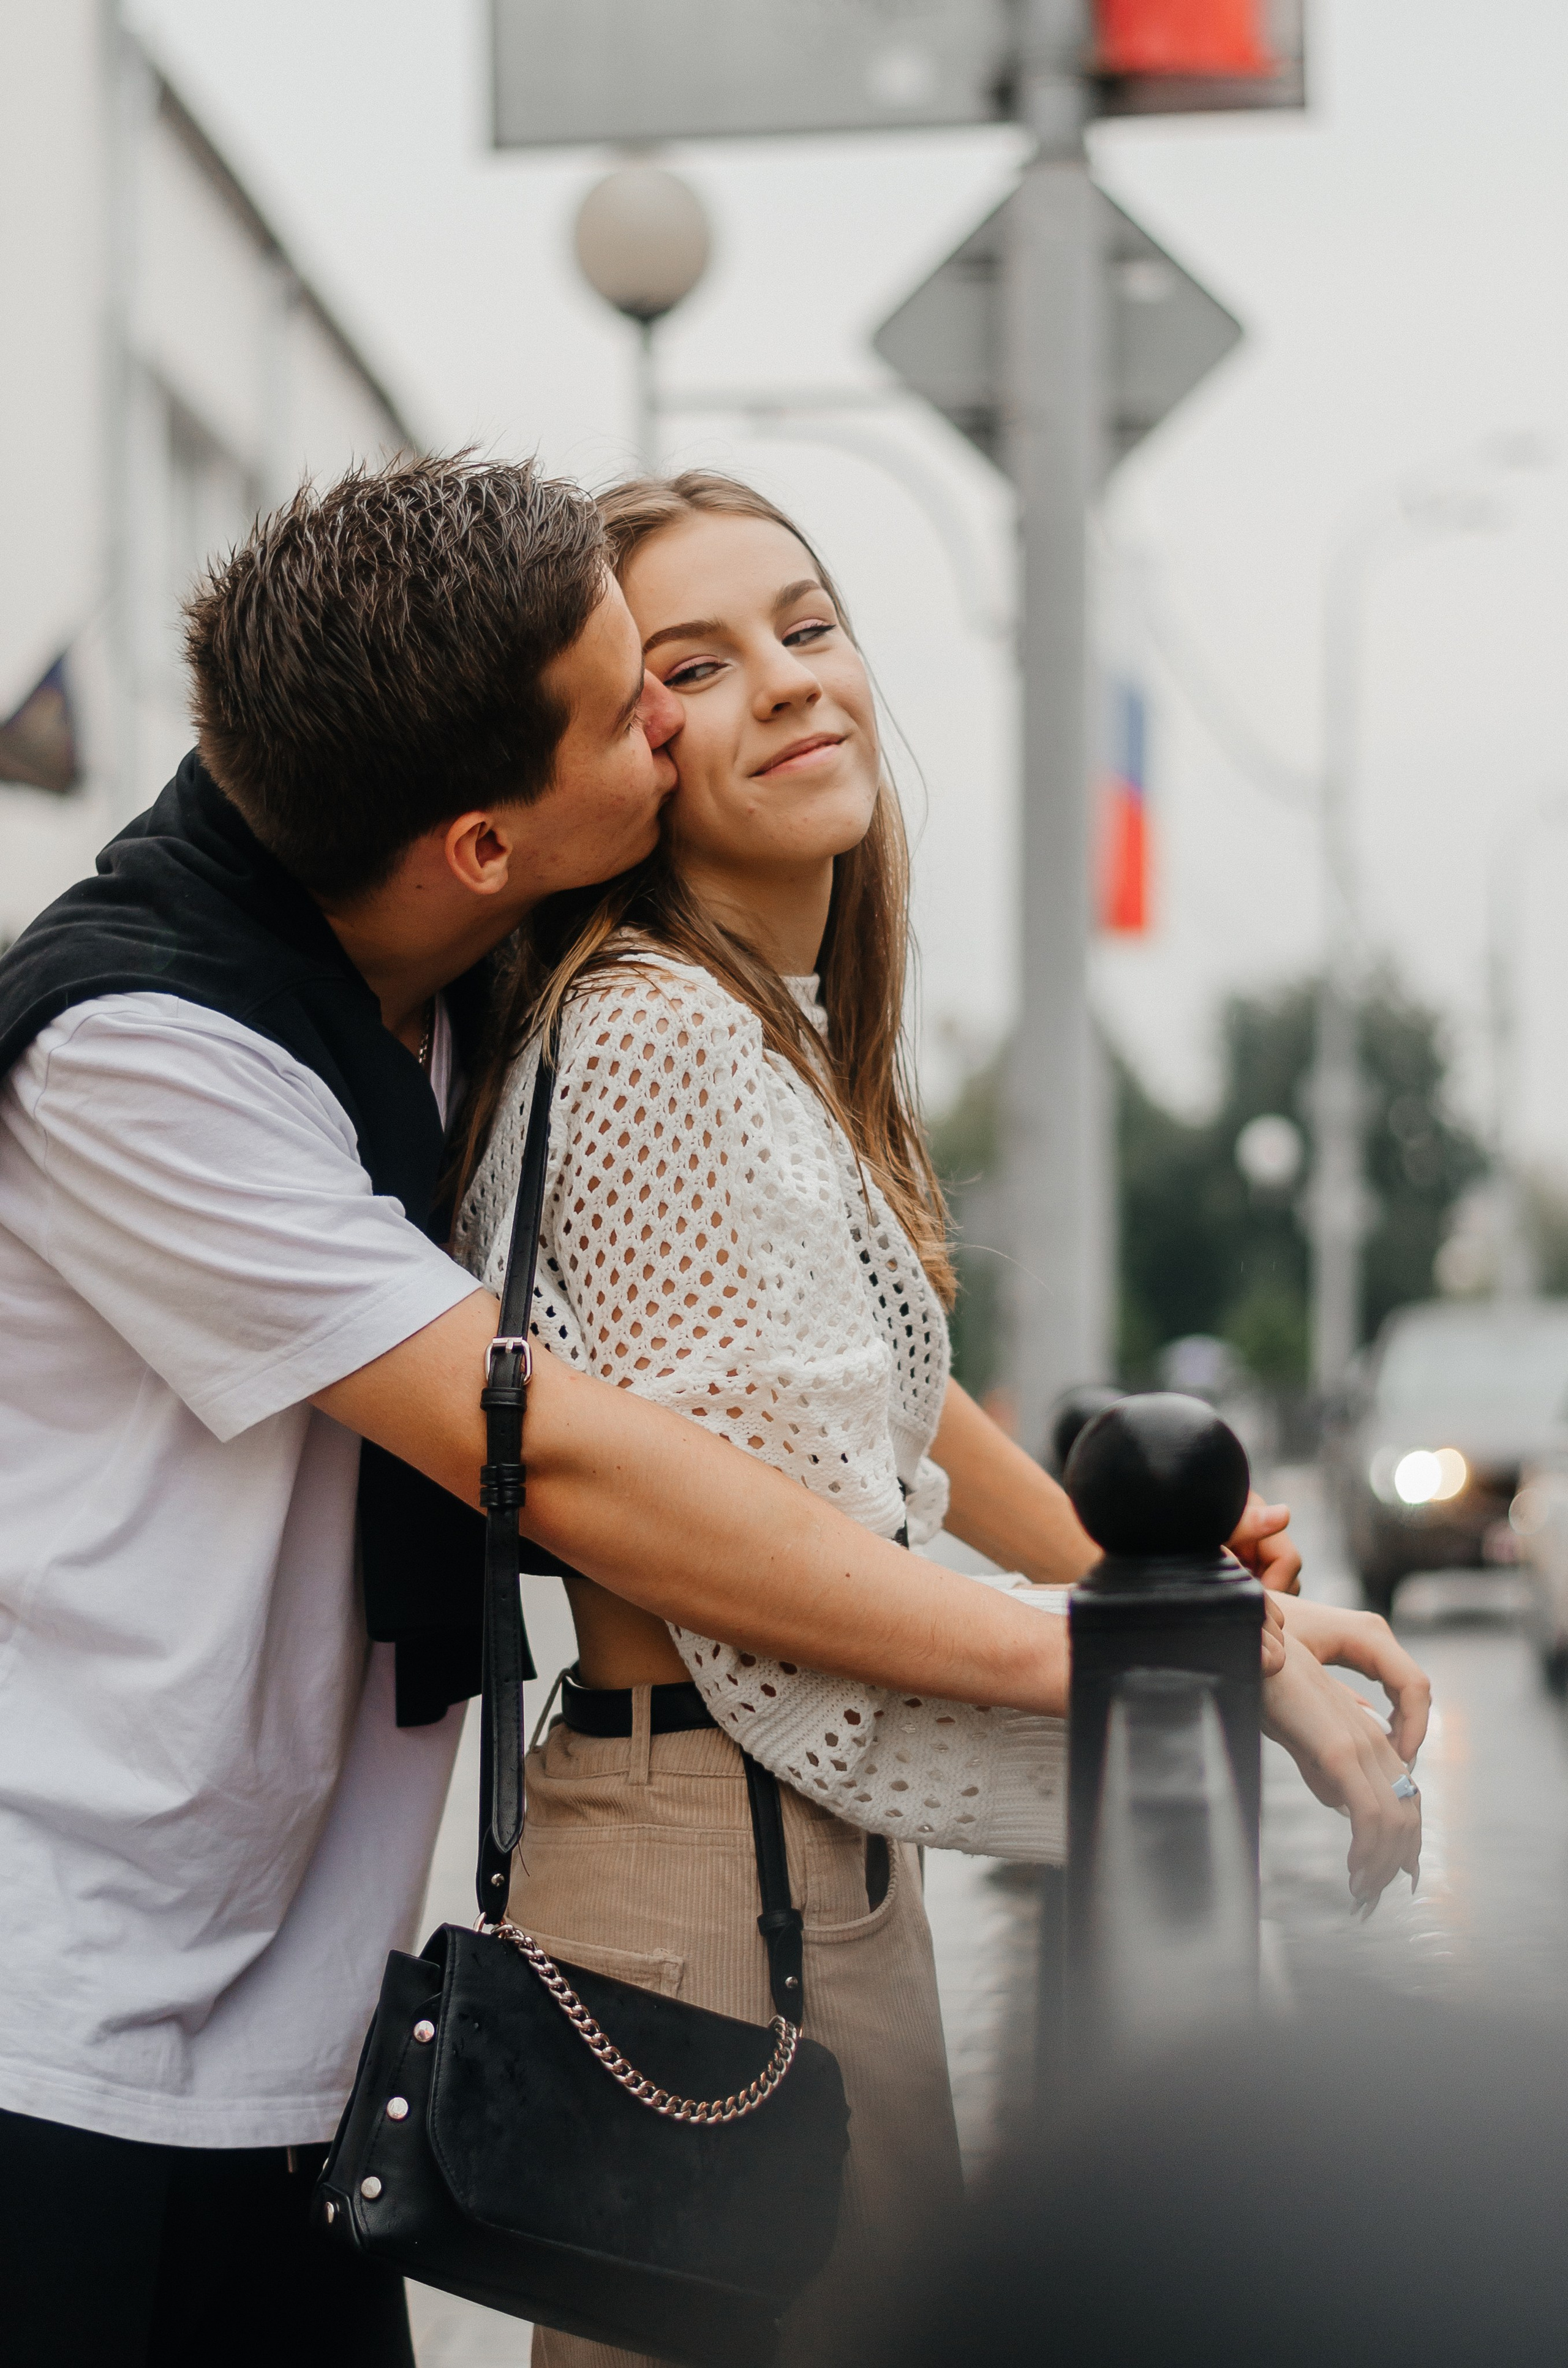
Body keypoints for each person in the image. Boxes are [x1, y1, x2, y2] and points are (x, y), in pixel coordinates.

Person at [450, 470, 1430, 2368]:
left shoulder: (757, 1029)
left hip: (766, 1863)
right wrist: (1213, 1664)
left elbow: (891, 1419)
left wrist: (1181, 1595)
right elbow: (791, 1581)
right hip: (716, 1877)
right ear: (629, 757)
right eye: (696, 667)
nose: (787, 681)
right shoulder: (660, 1038)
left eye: (808, 626)